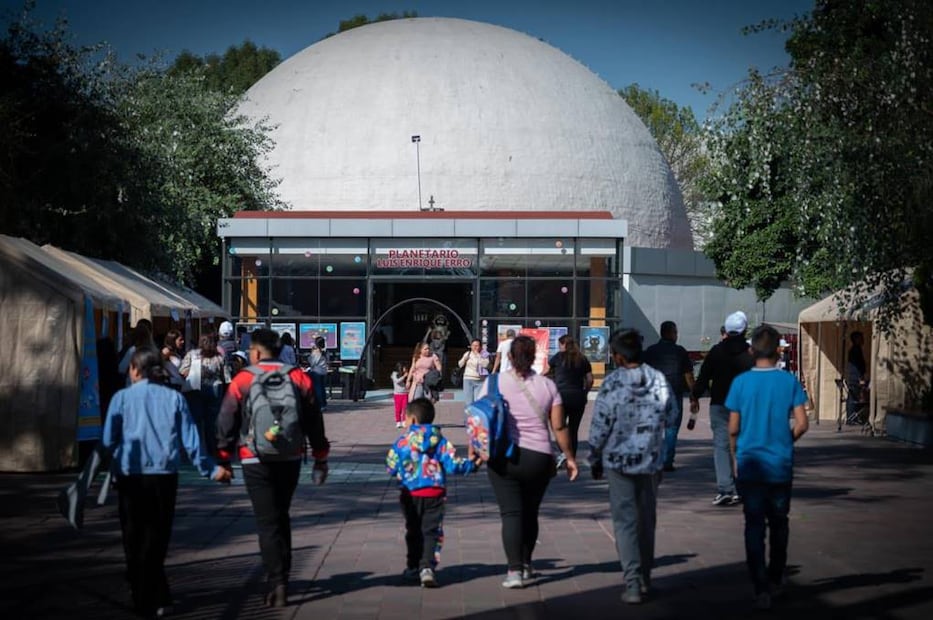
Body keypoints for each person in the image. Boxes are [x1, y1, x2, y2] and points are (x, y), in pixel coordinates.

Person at [101, 346, 230, 617]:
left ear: (135, 370)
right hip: (163, 477)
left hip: (130, 475)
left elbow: (108, 442)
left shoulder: (121, 399)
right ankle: (155, 594)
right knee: (157, 536)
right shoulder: (174, 400)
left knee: (133, 536)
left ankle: (142, 593)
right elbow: (191, 442)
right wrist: (212, 470)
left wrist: (111, 468)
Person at [216, 328, 330, 608]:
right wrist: (320, 456)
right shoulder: (298, 376)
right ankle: (284, 577)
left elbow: (226, 418)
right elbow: (314, 419)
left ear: (255, 352)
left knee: (267, 522)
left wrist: (222, 458)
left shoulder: (243, 379)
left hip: (254, 457)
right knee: (282, 515)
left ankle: (276, 580)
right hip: (289, 456)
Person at [477, 334, 579, 589]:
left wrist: (476, 451)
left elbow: (479, 419)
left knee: (511, 513)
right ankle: (527, 564)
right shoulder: (548, 386)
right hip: (539, 458)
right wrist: (569, 457)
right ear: (534, 357)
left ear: (509, 356)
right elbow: (558, 426)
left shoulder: (492, 383)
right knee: (530, 513)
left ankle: (514, 571)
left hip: (503, 457)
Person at [726, 324, 809, 610]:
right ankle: (776, 578)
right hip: (780, 464)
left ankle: (760, 586)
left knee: (753, 525)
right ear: (778, 351)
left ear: (751, 351)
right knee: (779, 522)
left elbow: (734, 427)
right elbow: (802, 423)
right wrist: (786, 440)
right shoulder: (789, 382)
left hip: (750, 463)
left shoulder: (741, 383)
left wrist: (735, 456)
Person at [588, 329, 674, 605]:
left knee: (625, 522)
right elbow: (672, 415)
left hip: (618, 462)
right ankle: (646, 578)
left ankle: (633, 582)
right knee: (647, 521)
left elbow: (599, 427)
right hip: (650, 460)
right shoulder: (658, 380)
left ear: (617, 356)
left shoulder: (612, 383)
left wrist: (595, 458)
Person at [386, 398, 479, 588]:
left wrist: (400, 471)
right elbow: (453, 464)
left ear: (411, 420)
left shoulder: (402, 442)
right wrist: (472, 465)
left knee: (413, 530)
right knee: (431, 531)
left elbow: (391, 466)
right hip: (434, 492)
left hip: (410, 493)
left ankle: (413, 566)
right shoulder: (440, 441)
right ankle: (427, 567)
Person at [690, 311, 754, 506]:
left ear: (726, 330)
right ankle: (744, 488)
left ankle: (726, 488)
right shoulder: (751, 353)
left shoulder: (716, 351)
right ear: (744, 330)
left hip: (720, 404)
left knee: (721, 446)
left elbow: (703, 377)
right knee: (744, 445)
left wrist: (695, 396)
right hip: (745, 406)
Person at [643, 321, 696, 472]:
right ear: (670, 333)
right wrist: (694, 395)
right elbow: (688, 375)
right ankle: (667, 460)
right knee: (672, 428)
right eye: (675, 332)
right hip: (674, 393)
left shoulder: (651, 351)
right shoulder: (680, 352)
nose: (677, 335)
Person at [546, 335, 593, 465]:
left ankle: (563, 452)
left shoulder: (558, 357)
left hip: (560, 397)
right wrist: (585, 392)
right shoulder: (582, 359)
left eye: (560, 345)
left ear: (563, 345)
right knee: (574, 428)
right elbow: (590, 379)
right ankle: (571, 454)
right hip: (578, 397)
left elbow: (546, 371)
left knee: (558, 426)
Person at [180, 334, 229, 457]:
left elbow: (182, 371)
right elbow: (226, 377)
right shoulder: (219, 357)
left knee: (196, 420)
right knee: (212, 422)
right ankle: (212, 449)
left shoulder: (192, 354)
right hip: (215, 389)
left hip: (196, 389)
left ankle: (196, 449)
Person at [458, 338, 490, 405]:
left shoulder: (484, 355)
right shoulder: (468, 354)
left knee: (478, 400)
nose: (475, 347)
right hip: (468, 379)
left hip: (479, 380)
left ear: (480, 347)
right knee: (468, 401)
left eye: (477, 345)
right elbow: (460, 364)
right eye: (473, 345)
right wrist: (464, 359)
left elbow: (485, 365)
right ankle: (470, 415)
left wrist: (478, 355)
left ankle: (476, 414)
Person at [846, 331, 868, 420]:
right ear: (856, 339)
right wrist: (860, 378)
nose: (863, 340)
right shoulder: (855, 350)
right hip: (856, 378)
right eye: (860, 338)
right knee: (854, 398)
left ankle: (852, 417)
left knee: (853, 397)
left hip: (854, 377)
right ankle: (852, 417)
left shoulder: (856, 349)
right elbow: (856, 365)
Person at [308, 336, 329, 410]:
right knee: (322, 388)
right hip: (323, 371)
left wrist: (311, 353)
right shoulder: (326, 351)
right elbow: (327, 361)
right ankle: (324, 403)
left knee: (317, 389)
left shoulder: (316, 351)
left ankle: (320, 404)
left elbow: (312, 362)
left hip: (316, 371)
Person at [391, 362, 410, 428]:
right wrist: (404, 376)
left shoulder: (407, 374)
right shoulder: (394, 374)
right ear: (400, 367)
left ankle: (404, 421)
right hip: (397, 394)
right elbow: (397, 381)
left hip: (405, 394)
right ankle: (398, 422)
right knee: (398, 409)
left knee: (405, 408)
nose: (406, 369)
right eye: (404, 367)